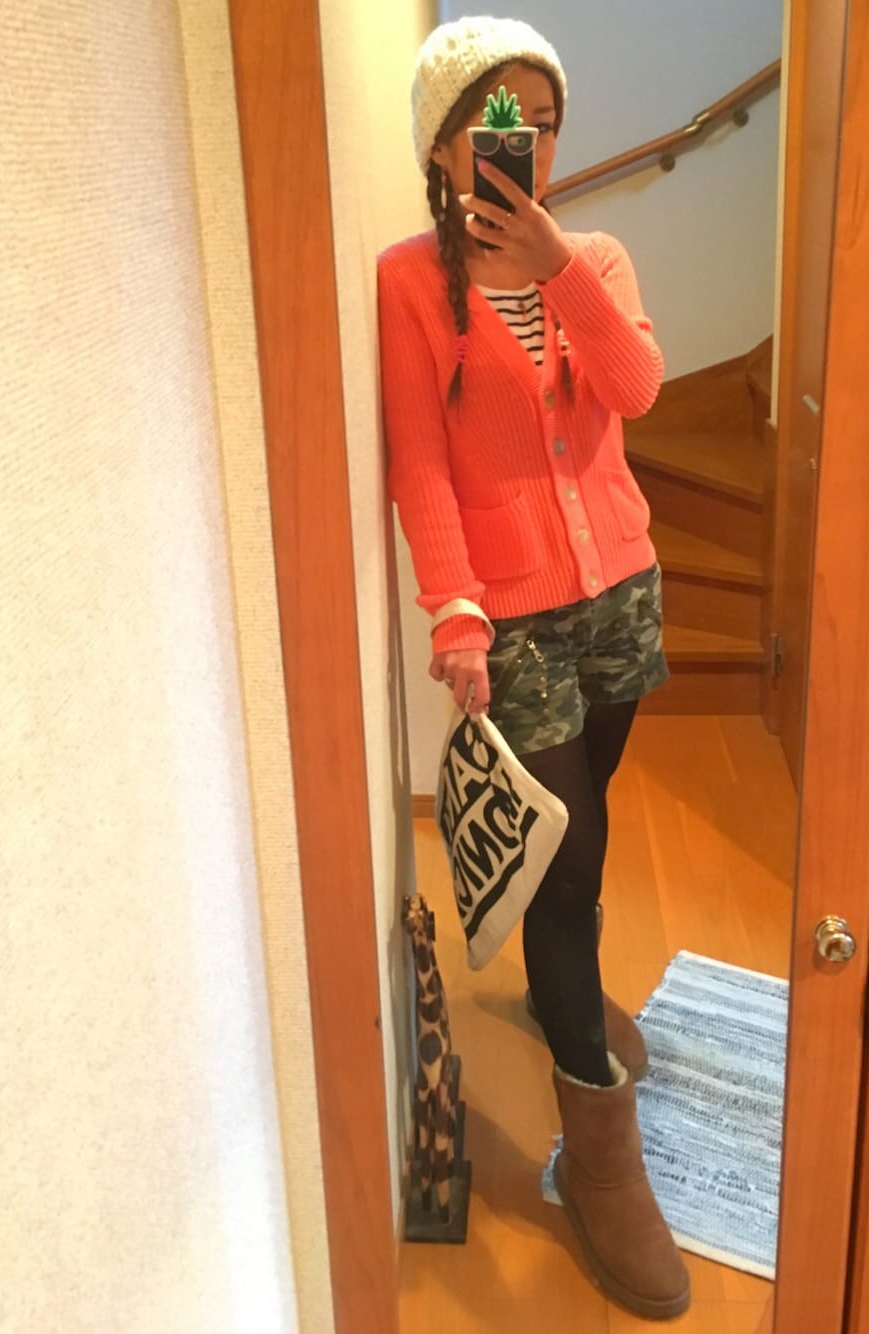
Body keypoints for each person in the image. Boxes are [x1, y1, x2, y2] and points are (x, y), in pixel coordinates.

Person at [378, 15, 690, 1320]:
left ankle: (571, 982)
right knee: (562, 863)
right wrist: (454, 611)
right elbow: (419, 458)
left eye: (543, 124)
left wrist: (558, 268)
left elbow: (638, 389)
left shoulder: (594, 255)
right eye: (498, 124)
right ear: (445, 145)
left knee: (590, 822)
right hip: (511, 619)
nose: (527, 147)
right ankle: (600, 1151)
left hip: (621, 590)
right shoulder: (409, 282)